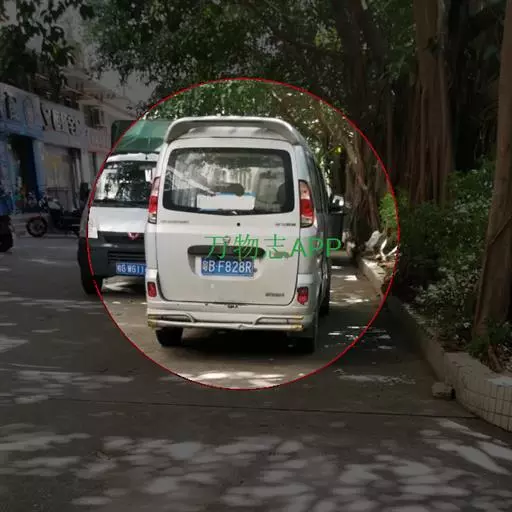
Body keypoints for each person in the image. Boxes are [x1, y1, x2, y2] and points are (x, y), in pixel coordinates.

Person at [0, 181, 14, 252]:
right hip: (3, 214)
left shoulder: (3, 191)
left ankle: (5, 244)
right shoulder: (3, 190)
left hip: (3, 214)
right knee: (4, 230)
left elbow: (8, 199)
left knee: (4, 230)